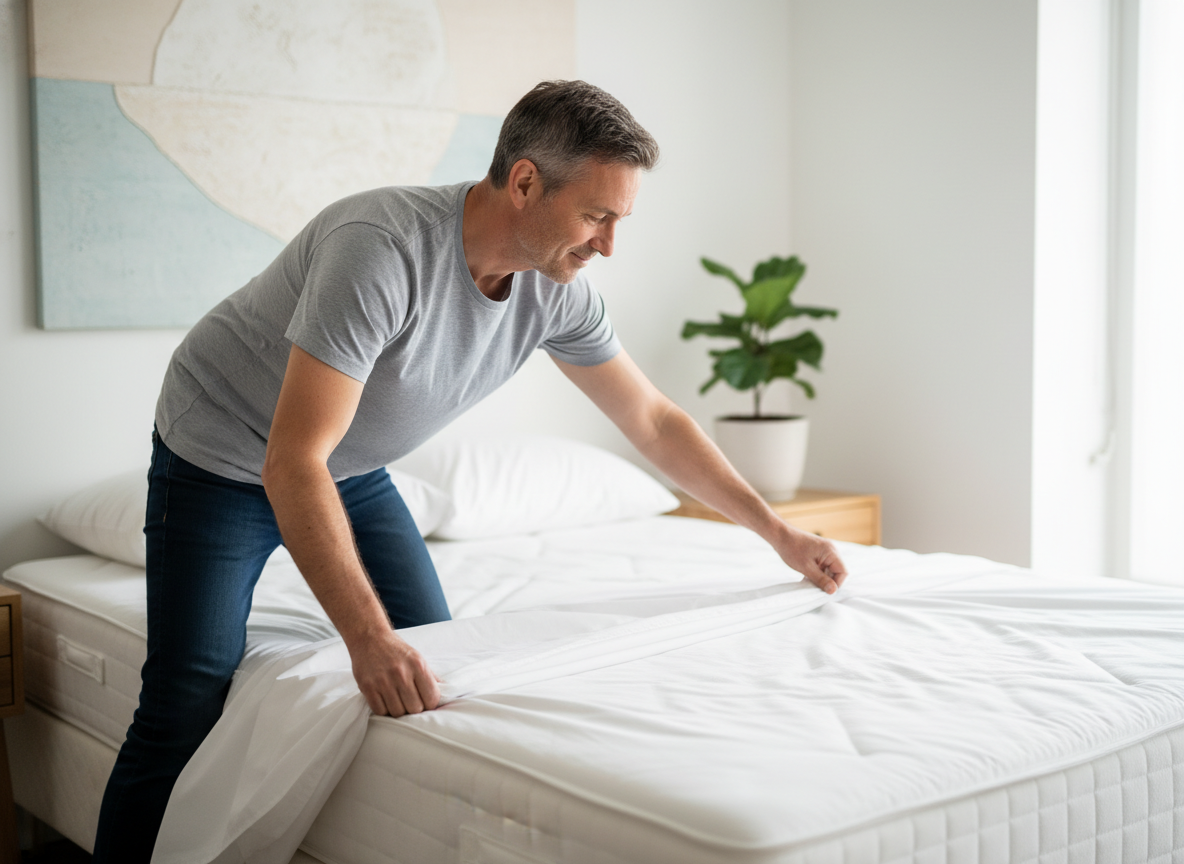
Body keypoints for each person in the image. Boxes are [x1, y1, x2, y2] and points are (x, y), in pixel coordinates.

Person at [92, 79, 848, 862]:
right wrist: (365, 639)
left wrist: (779, 534)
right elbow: (292, 461)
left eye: (619, 221)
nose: (607, 246)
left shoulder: (556, 292)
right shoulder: (378, 250)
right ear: (524, 182)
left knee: (439, 659)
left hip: (350, 466)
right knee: (187, 693)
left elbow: (653, 421)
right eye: (596, 216)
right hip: (222, 455)